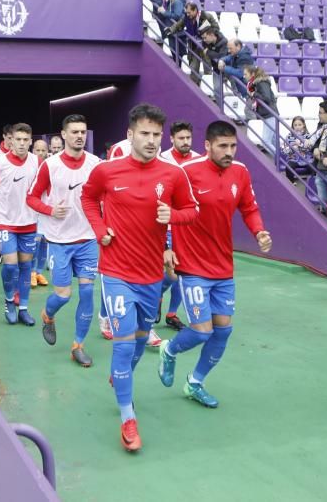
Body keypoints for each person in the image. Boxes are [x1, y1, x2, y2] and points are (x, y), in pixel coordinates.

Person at [80, 103, 198, 453]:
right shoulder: (107, 170)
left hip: (151, 277)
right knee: (123, 342)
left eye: (156, 135)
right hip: (116, 271)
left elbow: (193, 211)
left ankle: (120, 376)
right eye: (144, 133)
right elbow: (87, 198)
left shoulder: (174, 174)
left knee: (141, 338)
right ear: (130, 134)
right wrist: (100, 229)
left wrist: (173, 215)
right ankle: (128, 418)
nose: (151, 140)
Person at [158, 120, 272, 407]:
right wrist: (165, 247)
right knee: (201, 330)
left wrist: (259, 231)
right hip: (192, 265)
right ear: (207, 146)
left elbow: (249, 207)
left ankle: (195, 383)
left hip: (223, 267)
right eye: (223, 146)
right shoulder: (185, 173)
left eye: (233, 145)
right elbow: (161, 212)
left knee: (223, 329)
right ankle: (169, 350)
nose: (229, 151)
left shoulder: (241, 173)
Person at [28, 114, 101, 367]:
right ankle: (48, 315)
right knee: (63, 295)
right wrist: (50, 210)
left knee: (88, 291)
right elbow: (32, 197)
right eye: (74, 132)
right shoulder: (50, 165)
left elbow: (106, 197)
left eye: (83, 131)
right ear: (64, 134)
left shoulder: (95, 164)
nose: (79, 136)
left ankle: (78, 345)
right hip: (59, 240)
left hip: (88, 238)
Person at [0, 123, 41, 325]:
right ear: (11, 141)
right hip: (6, 223)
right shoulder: (0, 163)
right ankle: (9, 301)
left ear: (31, 141)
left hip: (30, 223)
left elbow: (45, 190)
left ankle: (23, 308)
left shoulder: (37, 162)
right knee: (10, 266)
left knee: (26, 266)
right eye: (18, 139)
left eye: (26, 140)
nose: (22, 144)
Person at [156, 121, 201, 337]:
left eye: (188, 138)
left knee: (183, 273)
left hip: (190, 227)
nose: (185, 142)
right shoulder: (162, 159)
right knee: (171, 273)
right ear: (171, 138)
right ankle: (156, 295)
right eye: (181, 138)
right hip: (166, 227)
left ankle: (172, 313)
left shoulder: (199, 159)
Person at [30, 138, 51, 288]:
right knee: (34, 243)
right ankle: (30, 272)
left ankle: (38, 272)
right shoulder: (29, 166)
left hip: (48, 210)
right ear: (33, 151)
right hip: (32, 210)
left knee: (44, 242)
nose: (41, 153)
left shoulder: (52, 165)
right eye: (38, 150)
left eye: (44, 150)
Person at [244, 65, 278, 153]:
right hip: (267, 114)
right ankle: (281, 160)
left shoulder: (261, 83)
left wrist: (254, 94)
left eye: (245, 74)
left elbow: (266, 98)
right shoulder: (255, 84)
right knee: (274, 142)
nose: (244, 76)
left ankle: (280, 159)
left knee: (266, 141)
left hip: (270, 113)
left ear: (252, 74)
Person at [281, 116, 315, 183]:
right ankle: (291, 182)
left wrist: (301, 145)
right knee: (289, 166)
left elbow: (311, 148)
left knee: (313, 167)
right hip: (294, 159)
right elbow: (284, 150)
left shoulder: (309, 136)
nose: (297, 127)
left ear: (304, 125)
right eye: (295, 125)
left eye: (300, 125)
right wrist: (292, 148)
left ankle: (312, 183)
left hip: (307, 159)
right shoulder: (289, 137)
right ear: (292, 126)